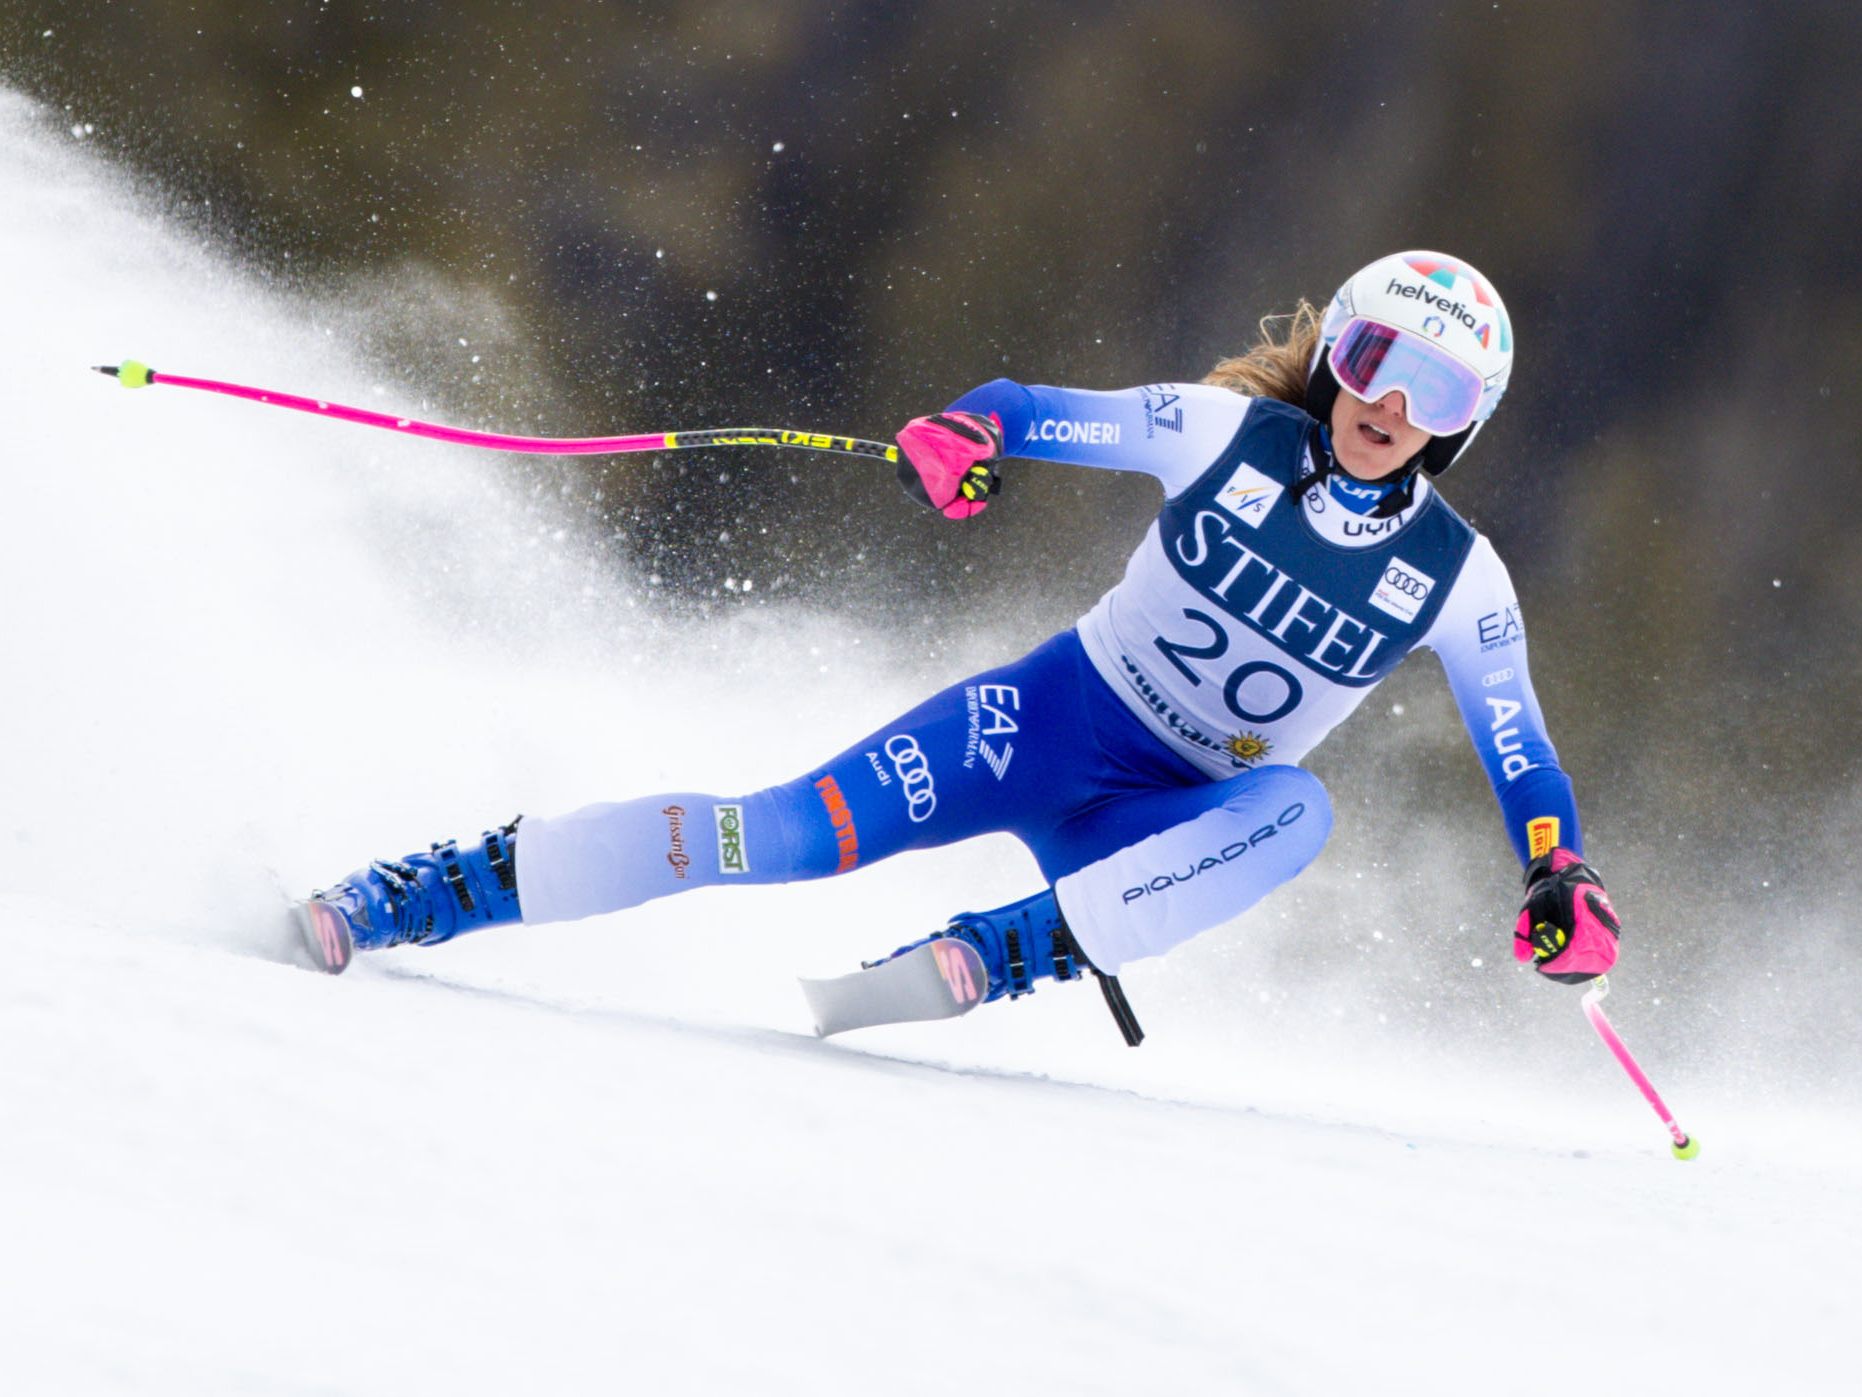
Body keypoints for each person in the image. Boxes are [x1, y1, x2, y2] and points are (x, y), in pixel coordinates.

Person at [296, 250, 1622, 1040]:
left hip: (1164, 822)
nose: (1388, 402)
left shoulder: (1458, 577)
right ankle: (425, 890)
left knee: (1295, 808)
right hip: (1041, 724)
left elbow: (1521, 756)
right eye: (1374, 356)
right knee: (769, 835)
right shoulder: (1222, 438)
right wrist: (962, 438)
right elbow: (1034, 411)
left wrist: (1558, 877)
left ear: (1461, 426)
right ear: (1333, 353)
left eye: (1431, 391)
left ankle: (1000, 952)